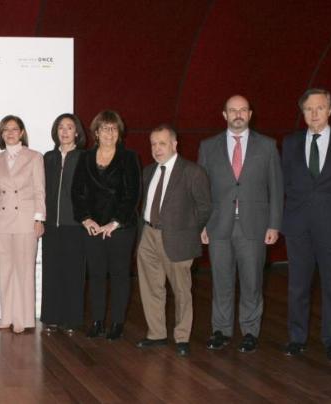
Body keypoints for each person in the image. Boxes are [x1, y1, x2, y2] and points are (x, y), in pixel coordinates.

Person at [281, 88, 331, 362]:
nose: (314, 113)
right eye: (308, 109)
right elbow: (285, 182)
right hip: (298, 226)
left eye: (319, 108)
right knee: (297, 286)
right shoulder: (290, 143)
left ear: (330, 110)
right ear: (302, 113)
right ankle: (297, 338)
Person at [198, 95, 283, 353]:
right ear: (224, 115)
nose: (238, 114)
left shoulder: (267, 146)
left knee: (252, 282)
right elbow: (201, 191)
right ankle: (221, 331)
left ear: (250, 114)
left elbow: (276, 188)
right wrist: (202, 225)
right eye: (233, 110)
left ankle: (250, 331)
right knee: (221, 282)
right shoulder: (208, 147)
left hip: (254, 226)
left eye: (243, 110)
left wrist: (274, 224)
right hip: (218, 225)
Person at [134, 125, 211, 357]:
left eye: (162, 143)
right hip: (148, 234)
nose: (157, 148)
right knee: (151, 288)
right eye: (153, 144)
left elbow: (205, 207)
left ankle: (182, 337)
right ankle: (156, 334)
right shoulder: (148, 171)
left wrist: (187, 230)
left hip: (178, 238)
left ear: (174, 144)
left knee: (181, 290)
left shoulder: (192, 171)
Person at [71, 110, 140, 340]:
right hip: (92, 226)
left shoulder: (129, 157)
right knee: (97, 275)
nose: (109, 133)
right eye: (104, 128)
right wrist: (86, 219)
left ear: (119, 132)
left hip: (120, 227)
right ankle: (98, 321)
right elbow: (77, 192)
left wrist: (115, 222)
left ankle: (117, 322)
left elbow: (132, 194)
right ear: (96, 133)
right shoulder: (85, 158)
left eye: (113, 128)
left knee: (120, 275)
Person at [0, 115, 45, 334]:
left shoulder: (34, 157)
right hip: (0, 219)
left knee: (24, 270)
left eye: (14, 129)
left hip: (25, 219)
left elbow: (39, 190)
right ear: (1, 134)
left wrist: (39, 219)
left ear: (22, 132)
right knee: (5, 270)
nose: (10, 133)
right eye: (5, 130)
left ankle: (23, 319)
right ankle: (7, 316)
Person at [41, 113, 87, 335]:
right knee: (51, 271)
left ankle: (72, 319)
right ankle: (51, 317)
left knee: (73, 272)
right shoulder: (48, 158)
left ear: (77, 132)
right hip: (50, 224)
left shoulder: (85, 157)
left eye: (70, 127)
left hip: (75, 225)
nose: (65, 131)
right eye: (61, 127)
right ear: (56, 132)